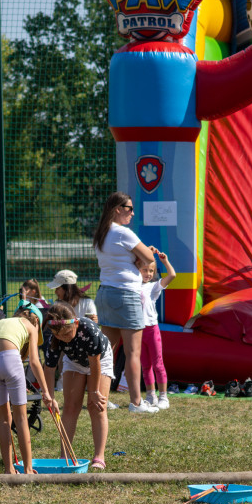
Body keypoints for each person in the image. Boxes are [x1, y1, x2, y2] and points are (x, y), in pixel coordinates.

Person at [93, 192, 158, 413]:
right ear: (117, 209)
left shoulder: (102, 233)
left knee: (106, 351)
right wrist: (146, 252)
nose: (132, 212)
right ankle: (136, 403)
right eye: (129, 208)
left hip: (104, 293)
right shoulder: (123, 233)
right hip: (125, 294)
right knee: (133, 352)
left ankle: (100, 397)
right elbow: (149, 259)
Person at [0, 301, 58, 473]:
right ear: (35, 321)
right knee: (21, 418)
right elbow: (34, 361)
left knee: (4, 419)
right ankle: (28, 468)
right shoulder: (30, 327)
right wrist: (46, 392)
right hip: (10, 358)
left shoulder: (3, 322)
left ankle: (8, 469)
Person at [42, 302, 113, 470]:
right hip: (74, 362)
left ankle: (99, 457)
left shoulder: (89, 329)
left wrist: (94, 391)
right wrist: (50, 396)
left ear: (75, 323)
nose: (64, 338)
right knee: (70, 407)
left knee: (96, 406)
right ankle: (65, 455)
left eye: (67, 333)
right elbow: (49, 369)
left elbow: (95, 364)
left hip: (100, 360)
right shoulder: (54, 337)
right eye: (60, 336)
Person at [138, 249, 176, 409]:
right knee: (145, 365)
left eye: (151, 271)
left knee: (157, 363)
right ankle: (150, 395)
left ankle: (163, 397)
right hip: (137, 331)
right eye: (145, 270)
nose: (148, 273)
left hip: (151, 329)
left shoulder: (153, 287)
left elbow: (172, 275)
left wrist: (164, 261)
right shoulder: (132, 285)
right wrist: (146, 250)